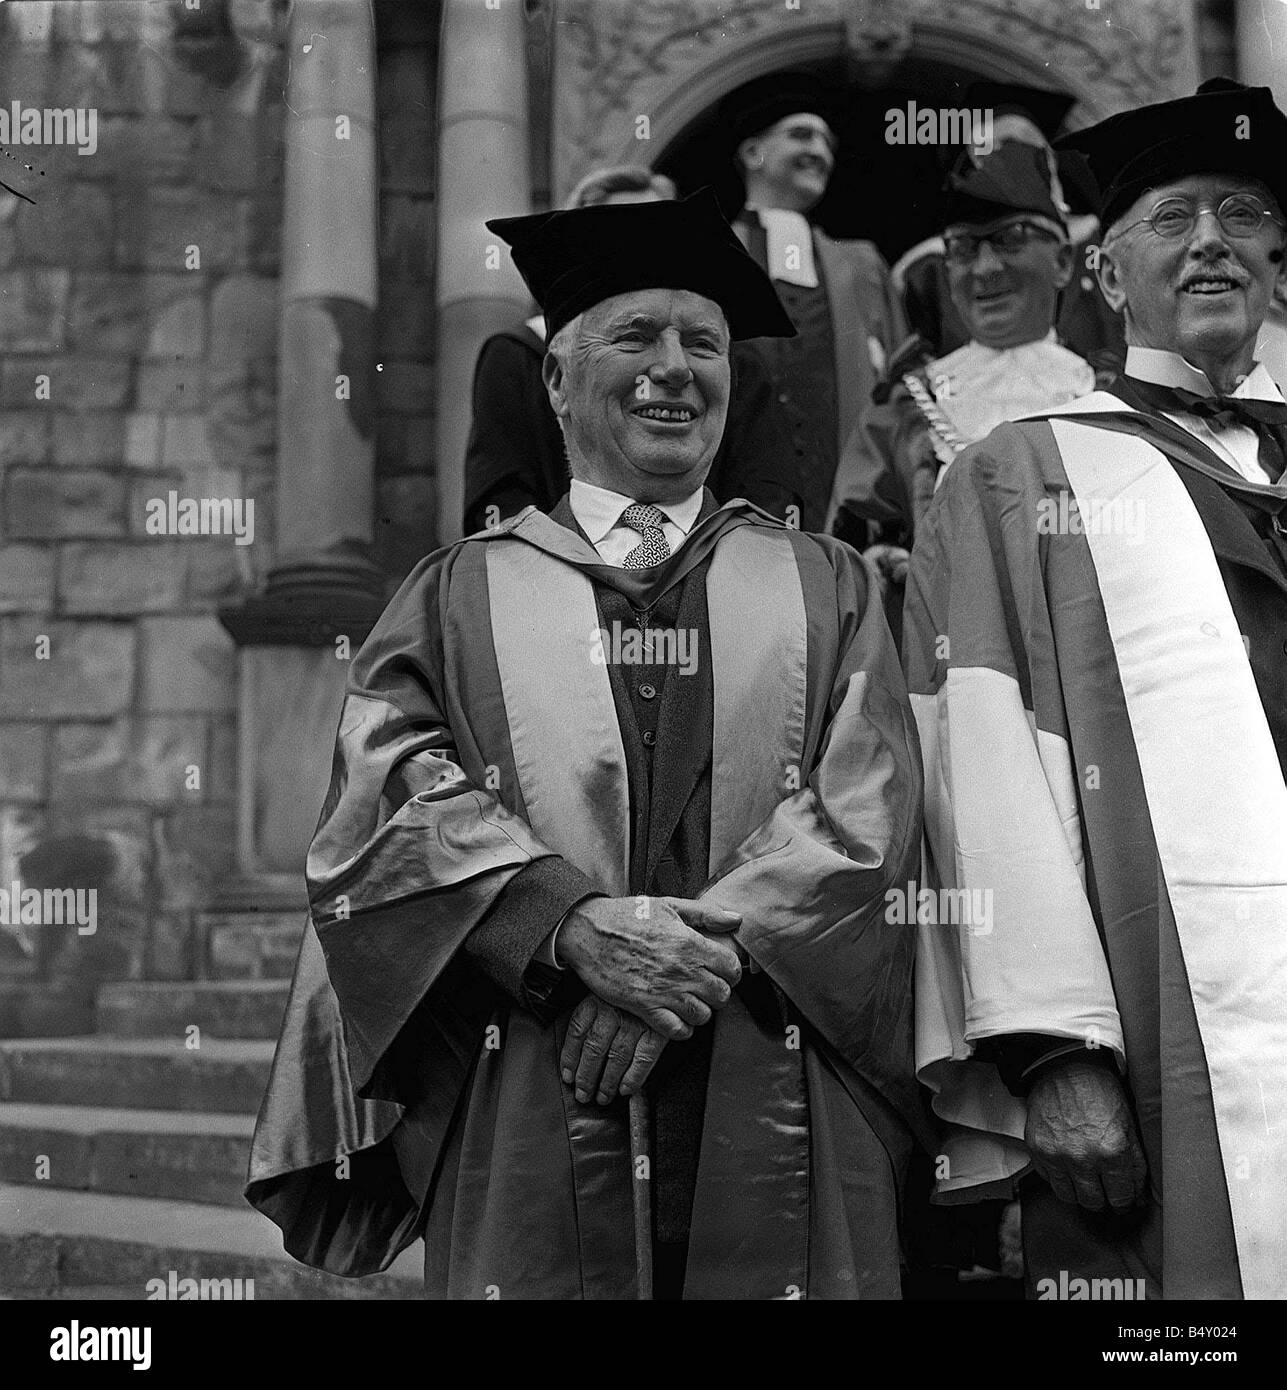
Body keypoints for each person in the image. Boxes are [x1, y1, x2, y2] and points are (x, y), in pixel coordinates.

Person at [247, 189, 929, 1300]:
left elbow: (872, 804)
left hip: (774, 1060)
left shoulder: (828, 584)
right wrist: (564, 926)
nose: (675, 368)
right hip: (527, 1066)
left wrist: (694, 960)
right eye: (636, 336)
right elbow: (388, 799)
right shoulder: (456, 594)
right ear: (556, 382)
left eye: (702, 342)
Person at [905, 79, 1287, 1300]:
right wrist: (1048, 1044)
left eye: (1241, 214)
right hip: (1168, 1015)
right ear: (1107, 277)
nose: (1213, 240)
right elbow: (979, 764)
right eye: (1172, 218)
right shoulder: (1023, 476)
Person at [462, 166, 802, 533]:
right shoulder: (518, 354)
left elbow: (769, 488)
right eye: (620, 234)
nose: (674, 368)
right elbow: (502, 494)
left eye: (666, 231)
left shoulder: (735, 362)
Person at [833, 142, 1095, 576]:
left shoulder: (1108, 395)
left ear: (1063, 262)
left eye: (1010, 239)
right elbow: (853, 544)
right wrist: (880, 564)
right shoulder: (904, 406)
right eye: (963, 248)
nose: (985, 268)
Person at [724, 73, 908, 532]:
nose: (820, 152)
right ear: (753, 153)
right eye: (801, 135)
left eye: (827, 142)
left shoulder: (861, 265)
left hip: (842, 499)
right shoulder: (711, 250)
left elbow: (901, 384)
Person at [894, 82, 1124, 380]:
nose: (1007, 160)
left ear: (1050, 160)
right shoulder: (929, 269)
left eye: (1021, 146)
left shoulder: (1108, 243)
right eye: (990, 151)